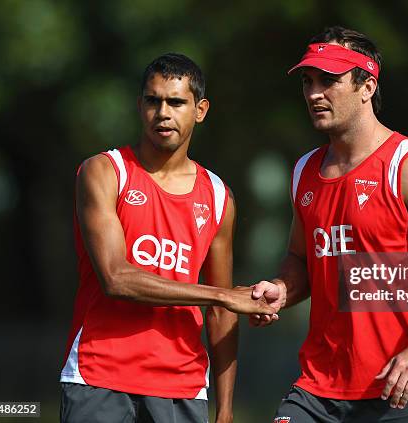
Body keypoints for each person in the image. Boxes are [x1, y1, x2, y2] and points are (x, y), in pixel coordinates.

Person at [251, 26, 408, 422]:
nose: (314, 94)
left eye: (329, 81)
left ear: (367, 86)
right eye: (308, 82)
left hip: (403, 389)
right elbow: (300, 258)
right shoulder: (305, 170)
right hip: (318, 388)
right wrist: (282, 289)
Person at [60, 53, 274, 423]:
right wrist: (221, 294)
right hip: (98, 378)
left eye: (175, 102)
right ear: (139, 105)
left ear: (200, 109)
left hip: (182, 388)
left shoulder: (220, 196)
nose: (163, 112)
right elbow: (116, 278)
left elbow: (222, 316)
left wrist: (224, 411)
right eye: (152, 100)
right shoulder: (105, 171)